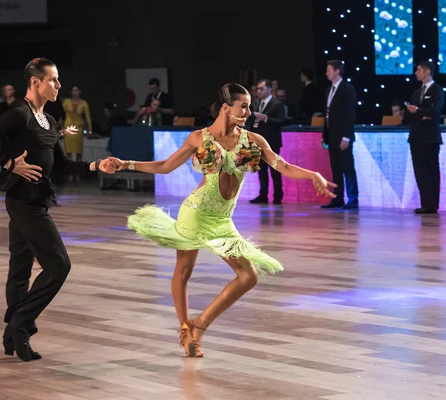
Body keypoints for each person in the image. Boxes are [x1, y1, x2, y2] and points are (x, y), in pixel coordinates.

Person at [108, 83, 336, 357]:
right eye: (244, 106)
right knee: (184, 271)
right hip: (195, 212)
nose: (249, 111)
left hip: (222, 219)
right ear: (227, 108)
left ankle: (200, 324)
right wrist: (126, 164)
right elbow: (165, 166)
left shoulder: (253, 140)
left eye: (250, 106)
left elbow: (283, 166)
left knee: (248, 276)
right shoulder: (198, 138)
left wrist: (313, 174)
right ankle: (184, 329)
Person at [0, 58, 114, 362]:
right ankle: (18, 323)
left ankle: (16, 336)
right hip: (23, 202)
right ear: (35, 82)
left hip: (37, 201)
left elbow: (60, 165)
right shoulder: (19, 115)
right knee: (59, 265)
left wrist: (95, 165)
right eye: (53, 80)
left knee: (20, 269)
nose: (58, 86)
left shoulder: (48, 120)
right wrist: (9, 164)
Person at [406, 61, 444, 214]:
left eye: (419, 70)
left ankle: (432, 204)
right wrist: (421, 114)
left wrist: (419, 111)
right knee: (420, 171)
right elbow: (409, 114)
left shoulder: (437, 90)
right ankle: (424, 203)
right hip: (416, 137)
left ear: (427, 72)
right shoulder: (416, 92)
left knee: (431, 170)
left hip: (430, 137)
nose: (416, 73)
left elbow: (435, 111)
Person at [321, 60, 359, 210]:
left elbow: (350, 115)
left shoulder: (347, 89)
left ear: (337, 71)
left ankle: (353, 198)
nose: (326, 73)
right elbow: (327, 115)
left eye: (329, 70)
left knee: (347, 168)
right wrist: (325, 135)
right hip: (332, 136)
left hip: (343, 136)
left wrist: (346, 137)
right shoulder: (328, 90)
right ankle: (337, 198)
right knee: (335, 169)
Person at [247, 79, 286, 204]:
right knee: (261, 170)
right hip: (259, 142)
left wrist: (266, 118)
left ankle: (277, 195)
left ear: (269, 89)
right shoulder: (258, 103)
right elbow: (254, 122)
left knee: (275, 170)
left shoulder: (277, 104)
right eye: (258, 89)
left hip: (272, 142)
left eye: (262, 89)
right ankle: (263, 194)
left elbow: (282, 121)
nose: (259, 91)